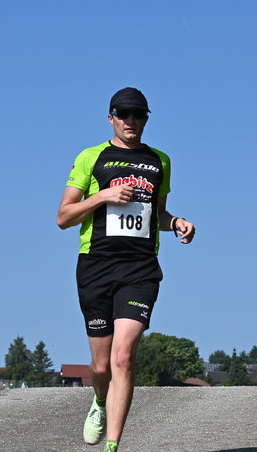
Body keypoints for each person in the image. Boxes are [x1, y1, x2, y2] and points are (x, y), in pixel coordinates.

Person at [57, 87, 195, 452]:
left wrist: (176, 222)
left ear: (146, 119)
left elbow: (157, 215)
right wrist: (103, 196)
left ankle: (112, 446)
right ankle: (99, 401)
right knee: (102, 367)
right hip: (96, 267)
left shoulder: (159, 161)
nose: (131, 120)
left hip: (140, 270)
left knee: (123, 358)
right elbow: (63, 217)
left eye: (138, 114)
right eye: (123, 114)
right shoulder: (91, 157)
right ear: (111, 118)